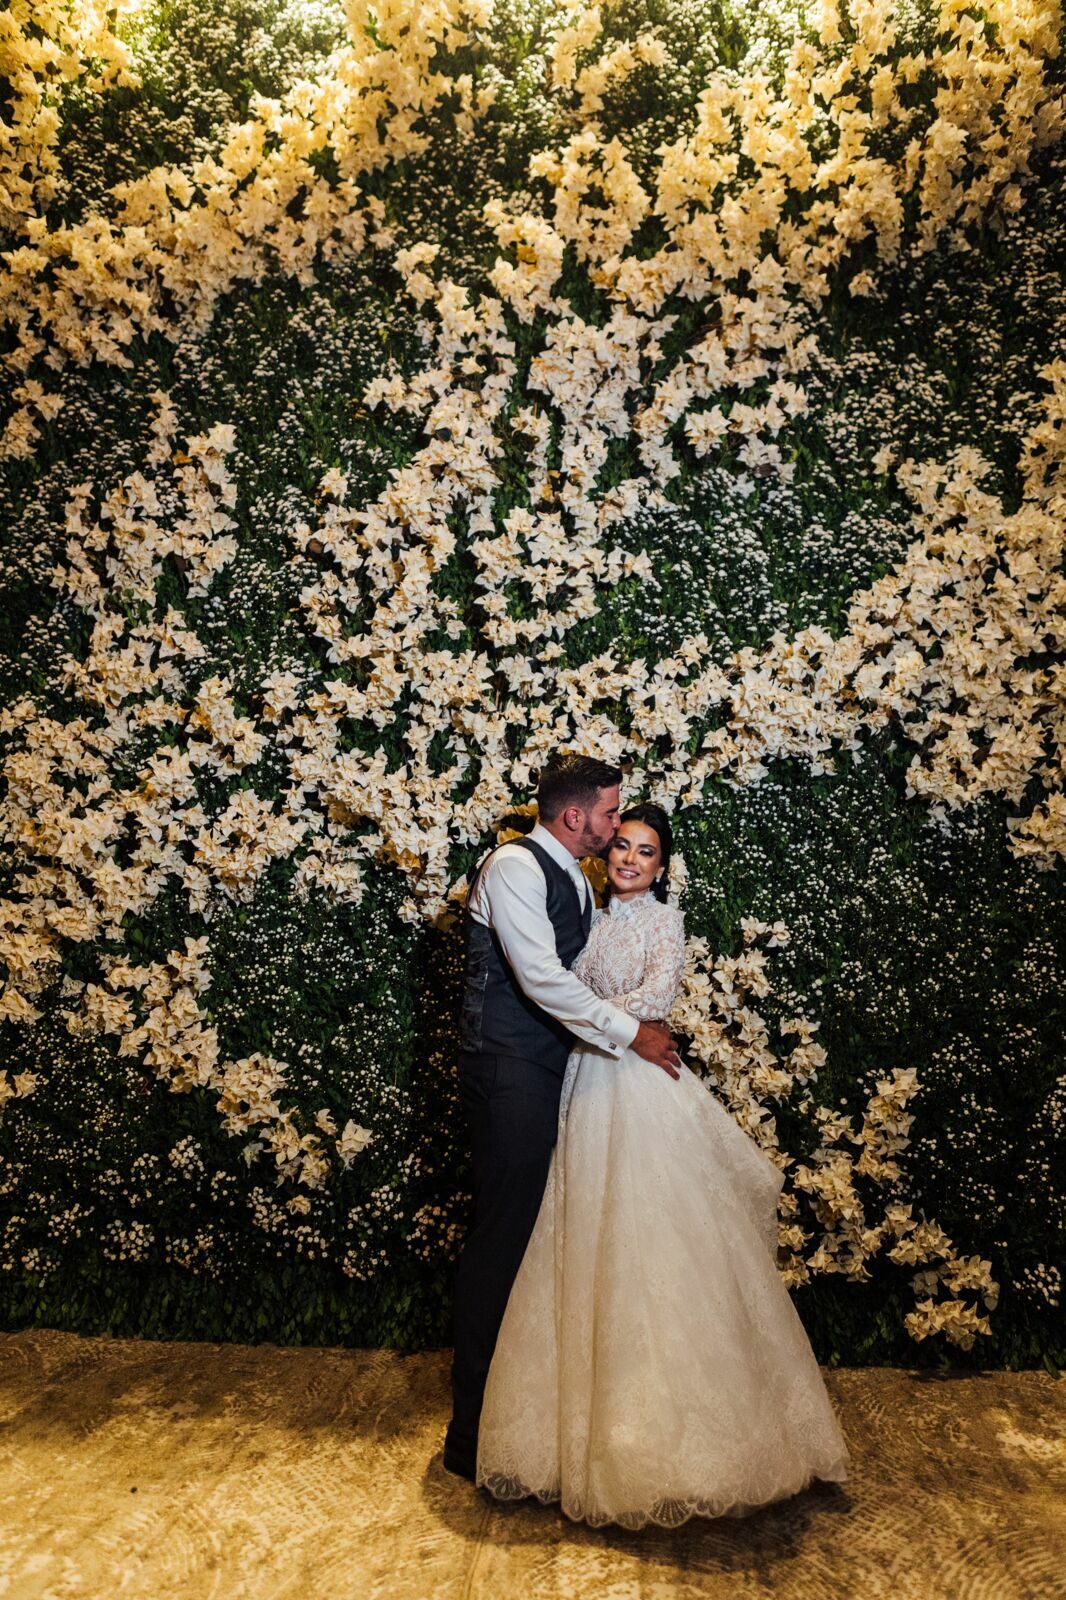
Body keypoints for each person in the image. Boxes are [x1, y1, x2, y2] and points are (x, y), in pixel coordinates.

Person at [473, 803, 852, 1529]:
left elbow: (656, 996)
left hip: (634, 1081)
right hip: (585, 1078)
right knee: (585, 1226)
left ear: (661, 867)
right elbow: (555, 980)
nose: (628, 859)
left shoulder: (663, 922)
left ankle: (669, 1439)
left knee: (649, 1234)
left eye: (644, 852)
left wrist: (590, 1013)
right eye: (621, 845)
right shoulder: (586, 915)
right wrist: (590, 1014)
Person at [442, 756, 683, 1483]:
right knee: (503, 1241)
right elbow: (542, 978)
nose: (616, 827)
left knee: (538, 1242)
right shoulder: (516, 868)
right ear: (577, 816)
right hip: (507, 1071)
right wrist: (633, 1033)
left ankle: (524, 1419)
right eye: (611, 814)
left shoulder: (578, 882)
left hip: (556, 1074)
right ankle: (469, 1434)